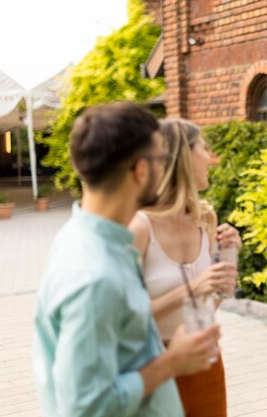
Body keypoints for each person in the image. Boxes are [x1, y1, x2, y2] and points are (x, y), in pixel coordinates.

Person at [32, 102, 220, 417]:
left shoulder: (92, 239)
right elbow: (85, 407)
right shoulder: (94, 276)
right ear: (141, 170)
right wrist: (173, 362)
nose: (169, 168)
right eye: (162, 158)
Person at [129, 118, 240, 417]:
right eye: (203, 147)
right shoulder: (139, 227)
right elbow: (122, 318)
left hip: (205, 363)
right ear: (183, 156)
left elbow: (211, 304)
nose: (210, 158)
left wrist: (229, 257)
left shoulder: (206, 218)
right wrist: (191, 289)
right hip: (154, 367)